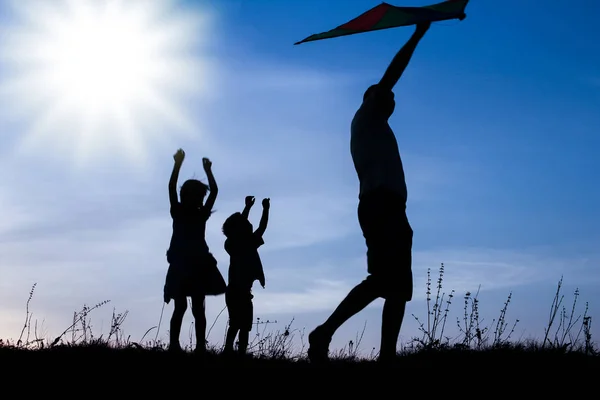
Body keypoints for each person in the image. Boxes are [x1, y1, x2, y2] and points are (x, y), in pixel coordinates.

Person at [307, 21, 432, 363]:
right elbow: (391, 76)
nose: (390, 96)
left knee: (398, 289)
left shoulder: (377, 127)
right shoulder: (366, 117)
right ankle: (325, 331)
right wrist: (418, 34)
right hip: (380, 205)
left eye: (390, 96)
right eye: (382, 93)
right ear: (370, 98)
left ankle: (387, 355)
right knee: (382, 281)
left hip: (390, 206)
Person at [163, 148, 226, 354]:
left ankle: (200, 346)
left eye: (197, 196)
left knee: (198, 307)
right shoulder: (178, 211)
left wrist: (208, 171)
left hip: (197, 264)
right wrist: (177, 164)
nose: (195, 199)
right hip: (182, 263)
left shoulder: (200, 214)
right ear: (185, 196)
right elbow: (172, 185)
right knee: (180, 306)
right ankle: (174, 345)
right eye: (192, 195)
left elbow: (214, 192)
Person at [221, 196, 270, 355]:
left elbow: (261, 227)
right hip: (235, 291)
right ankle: (229, 350)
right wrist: (251, 209)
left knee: (245, 326)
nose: (250, 224)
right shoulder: (234, 244)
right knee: (236, 324)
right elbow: (255, 226)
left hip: (244, 293)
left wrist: (264, 209)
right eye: (246, 224)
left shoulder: (246, 242)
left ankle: (240, 351)